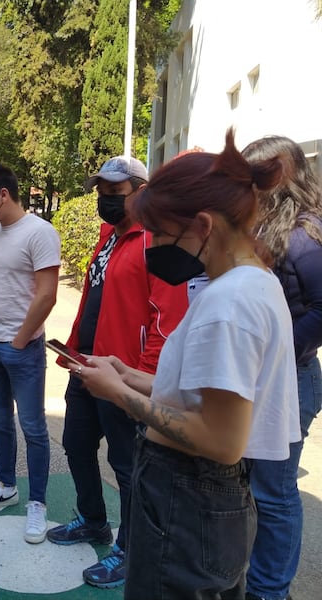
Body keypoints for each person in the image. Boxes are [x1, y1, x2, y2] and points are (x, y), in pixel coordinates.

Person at [77, 130, 299, 599]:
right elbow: (205, 394)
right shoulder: (248, 284)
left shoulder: (229, 303)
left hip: (188, 496)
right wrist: (130, 374)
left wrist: (120, 395)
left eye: (158, 232)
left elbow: (220, 439)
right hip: (201, 500)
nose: (152, 244)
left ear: (202, 225)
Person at [44, 155, 188, 588]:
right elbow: (95, 299)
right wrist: (73, 353)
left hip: (123, 374)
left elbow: (167, 317)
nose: (105, 200)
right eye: (101, 192)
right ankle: (93, 520)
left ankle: (131, 548)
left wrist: (139, 379)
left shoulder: (155, 241)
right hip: (86, 365)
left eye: (114, 192)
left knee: (127, 466)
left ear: (141, 192)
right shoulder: (109, 236)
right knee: (75, 445)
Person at [241, 135, 322, 600]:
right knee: (256, 489)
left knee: (273, 492)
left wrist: (279, 351)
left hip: (291, 380)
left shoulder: (305, 233)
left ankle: (270, 590)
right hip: (266, 377)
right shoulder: (270, 224)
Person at [0, 164, 60, 545]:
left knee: (34, 428)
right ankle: (6, 486)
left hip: (22, 349)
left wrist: (20, 340)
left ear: (3, 195)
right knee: (0, 422)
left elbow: (47, 294)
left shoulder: (40, 232)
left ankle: (37, 502)